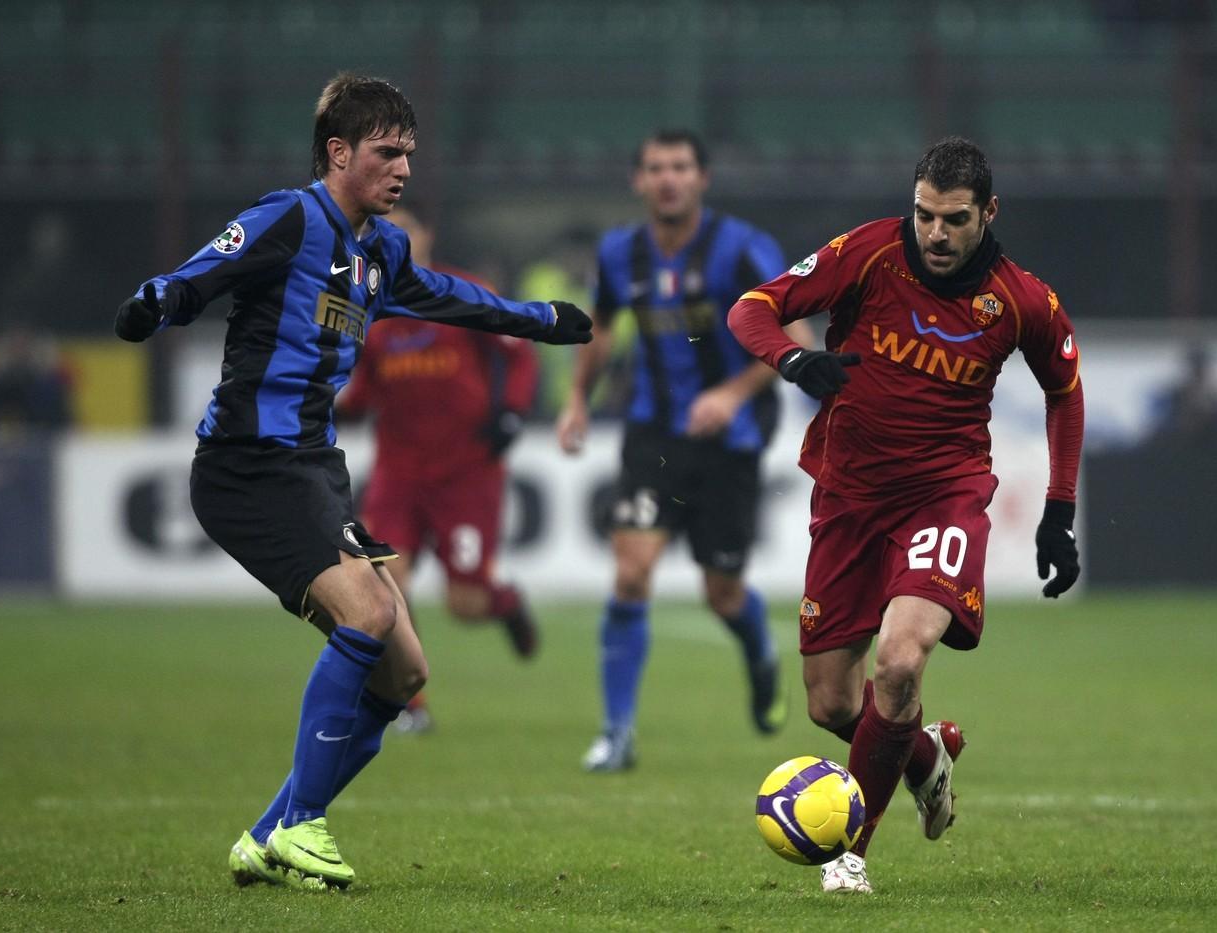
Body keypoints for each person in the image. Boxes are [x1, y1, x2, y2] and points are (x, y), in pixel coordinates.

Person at [112, 73, 591, 890]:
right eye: (385, 152)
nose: (402, 168)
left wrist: (538, 320)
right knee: (370, 611)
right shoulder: (290, 217)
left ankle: (267, 834)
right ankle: (303, 824)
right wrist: (159, 300)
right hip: (248, 465)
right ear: (339, 153)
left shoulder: (382, 247)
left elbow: (448, 298)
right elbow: (206, 270)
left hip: (312, 469)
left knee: (403, 672)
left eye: (408, 153)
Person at [728, 136, 1084, 894]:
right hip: (849, 498)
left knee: (898, 663)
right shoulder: (868, 253)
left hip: (944, 497)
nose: (935, 233)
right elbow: (752, 309)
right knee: (831, 702)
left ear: (988, 212)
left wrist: (1059, 508)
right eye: (924, 214)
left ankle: (850, 853)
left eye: (954, 219)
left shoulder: (1021, 300)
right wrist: (792, 361)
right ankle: (925, 755)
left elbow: (1065, 390)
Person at [555, 129, 814, 772]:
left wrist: (730, 393)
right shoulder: (619, 253)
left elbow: (797, 331)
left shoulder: (742, 249)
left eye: (680, 167)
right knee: (631, 570)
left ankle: (759, 652)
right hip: (656, 436)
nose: (668, 178)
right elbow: (603, 329)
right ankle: (617, 736)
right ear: (637, 181)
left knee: (721, 593)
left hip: (734, 439)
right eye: (655, 168)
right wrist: (577, 399)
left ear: (702, 179)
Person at [337, 205, 542, 735]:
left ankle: (506, 603)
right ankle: (411, 703)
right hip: (398, 473)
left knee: (466, 605)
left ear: (427, 235)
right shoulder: (366, 307)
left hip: (466, 472)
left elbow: (518, 352)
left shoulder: (460, 291)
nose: (394, 240)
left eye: (405, 229)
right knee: (384, 585)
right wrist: (328, 407)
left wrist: (512, 411)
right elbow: (365, 392)